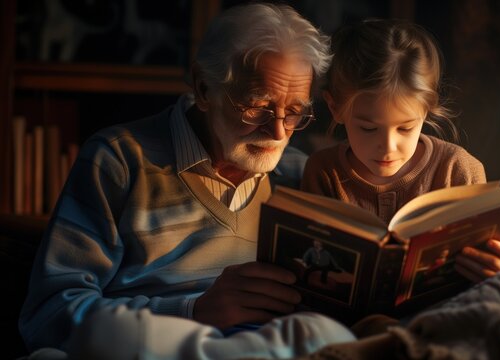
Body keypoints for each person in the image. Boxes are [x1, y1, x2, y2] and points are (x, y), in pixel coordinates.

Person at [18, 3, 357, 358]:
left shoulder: (300, 175)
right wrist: (193, 311)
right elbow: (48, 315)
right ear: (204, 88)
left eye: (295, 112)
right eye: (257, 106)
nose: (277, 131)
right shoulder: (119, 159)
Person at [301, 19, 500, 285]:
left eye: (405, 128)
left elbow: (487, 256)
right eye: (368, 129)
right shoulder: (323, 172)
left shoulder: (457, 169)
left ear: (426, 110)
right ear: (335, 107)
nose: (388, 146)